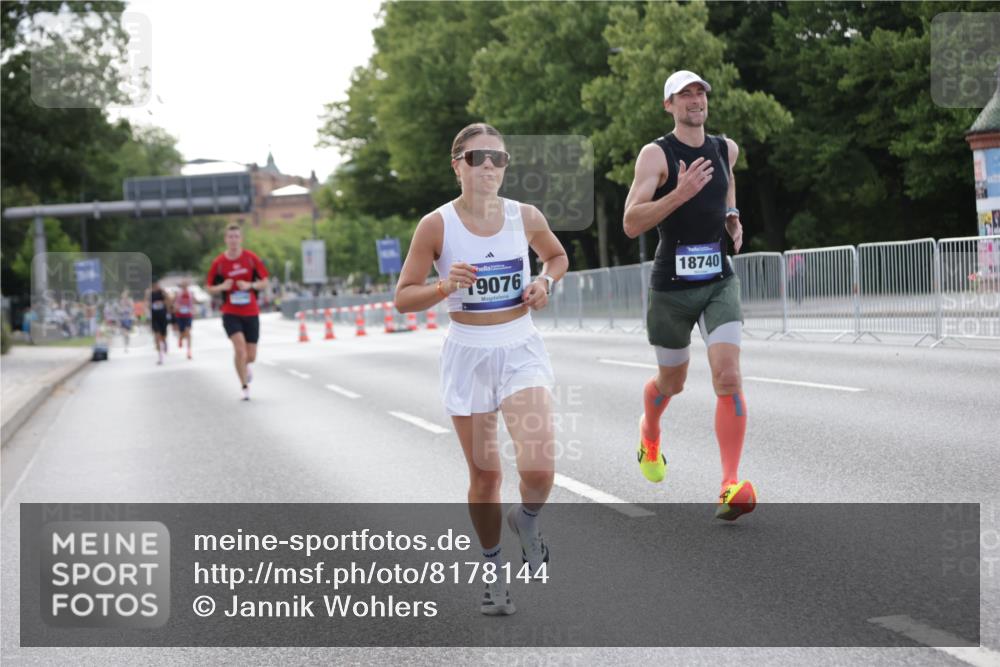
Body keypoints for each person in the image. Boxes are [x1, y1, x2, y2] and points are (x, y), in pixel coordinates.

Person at [395, 123, 569, 615]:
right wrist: (443, 287)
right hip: (468, 352)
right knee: (487, 476)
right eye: (478, 158)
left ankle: (528, 521)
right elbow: (404, 298)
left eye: (498, 158)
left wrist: (545, 283)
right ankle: (493, 570)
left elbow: (556, 257)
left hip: (519, 346)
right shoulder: (436, 225)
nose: (489, 166)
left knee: (538, 467)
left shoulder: (525, 216)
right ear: (458, 166)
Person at [622, 70, 756, 521]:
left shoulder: (724, 148)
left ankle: (729, 485)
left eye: (700, 93)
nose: (695, 100)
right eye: (685, 95)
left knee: (728, 376)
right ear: (670, 105)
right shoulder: (656, 155)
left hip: (719, 279)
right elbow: (631, 222)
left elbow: (728, 181)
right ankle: (650, 430)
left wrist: (732, 215)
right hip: (672, 290)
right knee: (672, 383)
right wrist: (678, 194)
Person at [206, 223, 269, 401]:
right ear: (226, 239)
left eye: (236, 236)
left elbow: (264, 281)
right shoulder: (219, 263)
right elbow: (209, 287)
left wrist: (250, 285)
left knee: (251, 356)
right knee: (239, 349)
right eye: (230, 237)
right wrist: (222, 286)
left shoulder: (250, 259)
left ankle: (244, 366)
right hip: (230, 311)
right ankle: (244, 387)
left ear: (241, 239)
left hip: (251, 311)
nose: (233, 240)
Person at [146, 279, 170, 365]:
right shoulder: (149, 293)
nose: (155, 286)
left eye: (156, 284)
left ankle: (164, 342)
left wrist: (167, 310)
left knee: (163, 336)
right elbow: (147, 304)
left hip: (162, 316)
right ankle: (160, 357)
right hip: (154, 317)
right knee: (157, 336)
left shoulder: (162, 292)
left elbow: (168, 301)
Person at [173, 278, 195, 360]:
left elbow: (192, 302)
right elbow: (175, 303)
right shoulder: (178, 294)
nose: (185, 287)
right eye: (183, 285)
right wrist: (177, 307)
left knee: (188, 332)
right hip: (180, 315)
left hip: (188, 315)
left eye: (186, 285)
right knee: (182, 332)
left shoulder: (190, 293)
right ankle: (180, 338)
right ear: (181, 286)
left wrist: (193, 309)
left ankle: (189, 351)